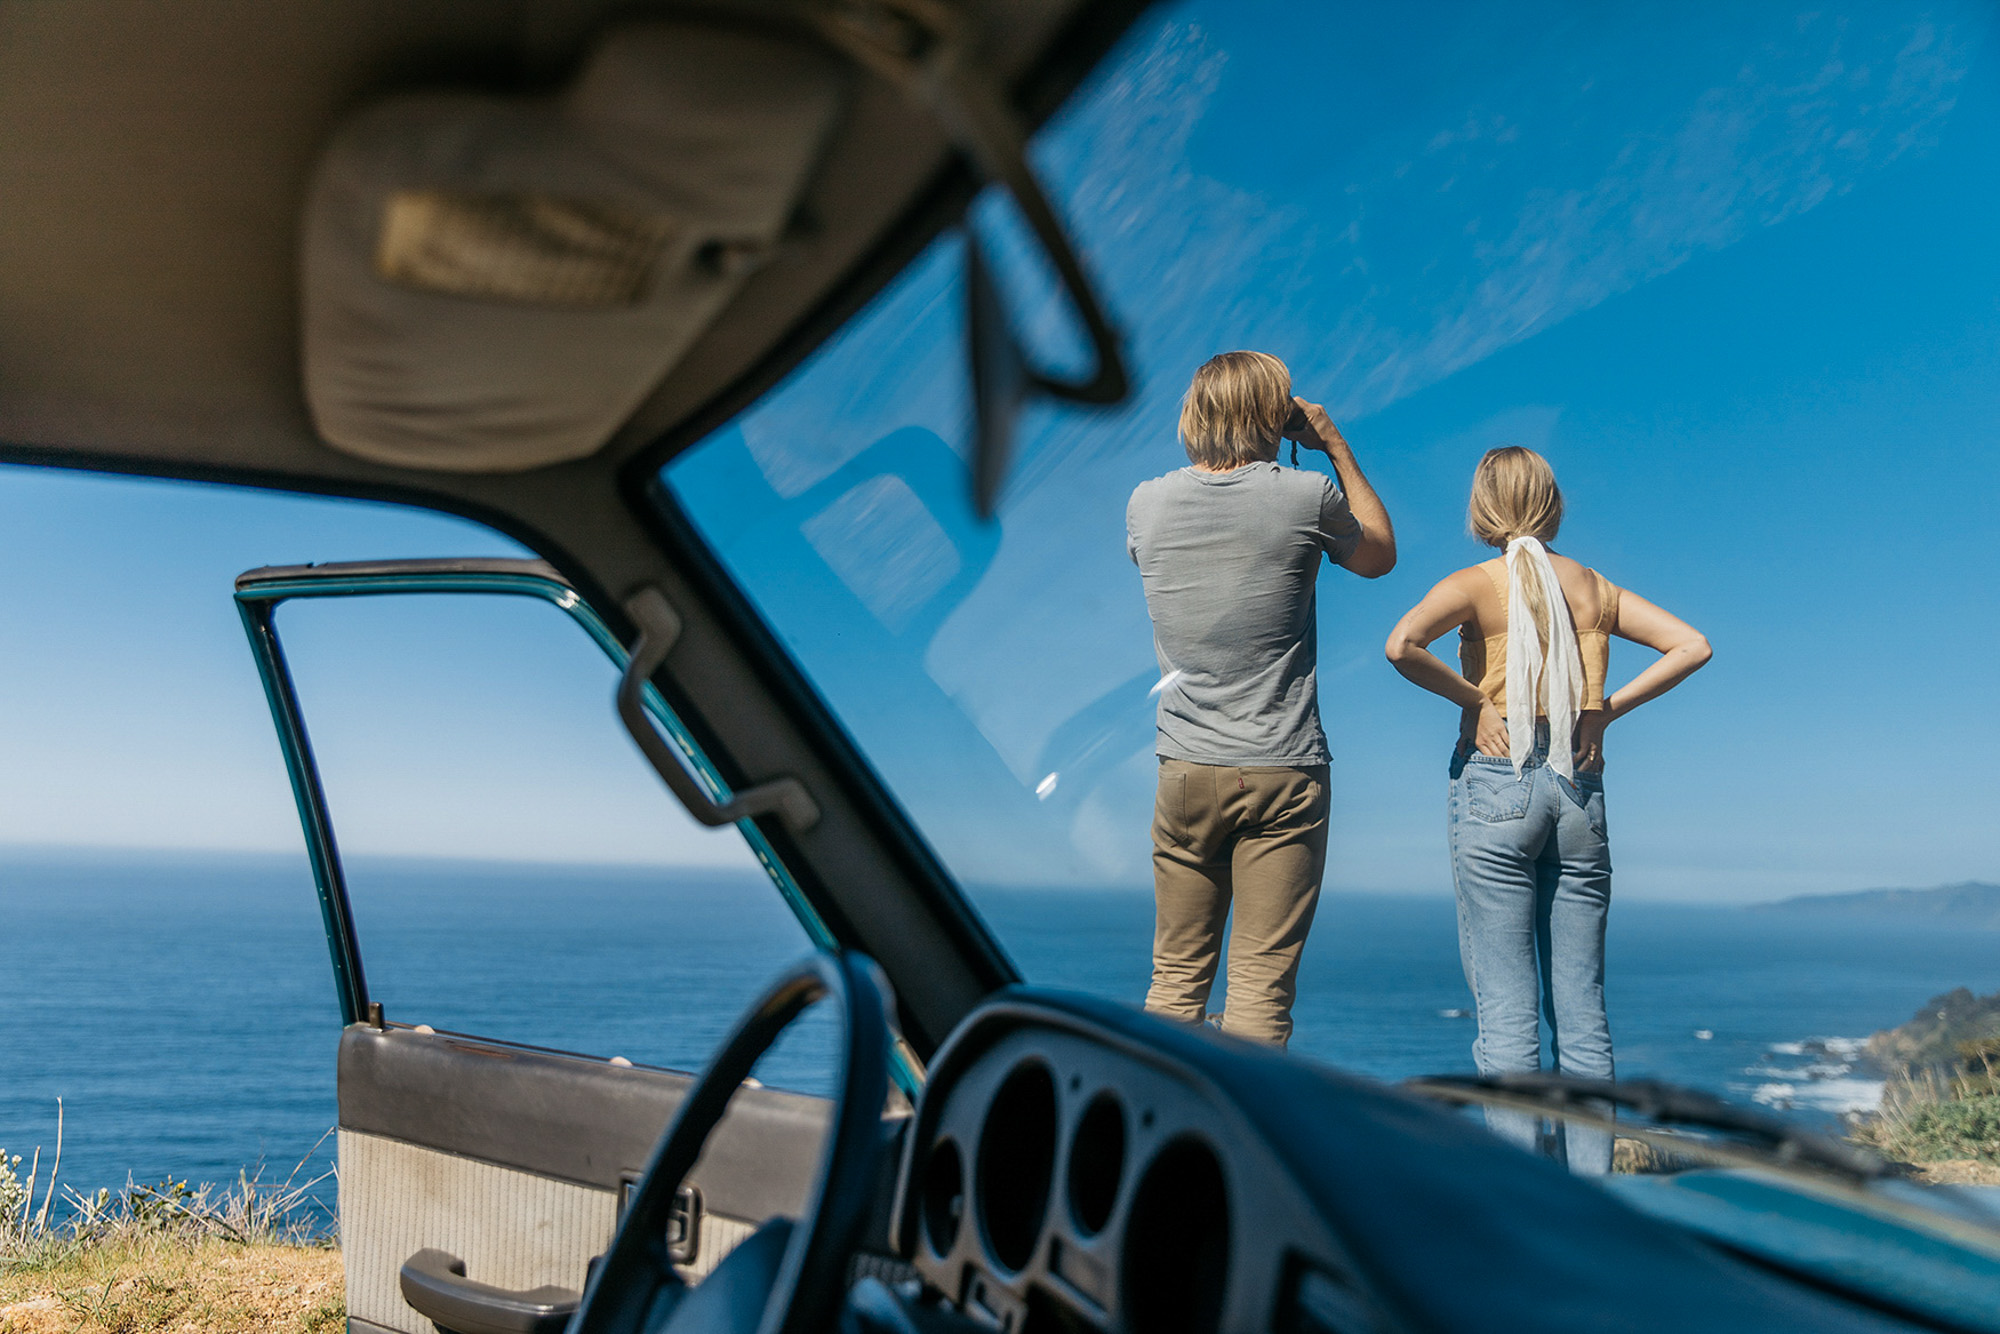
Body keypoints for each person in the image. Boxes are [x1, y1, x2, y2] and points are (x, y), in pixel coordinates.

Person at [1383, 446, 1711, 1171]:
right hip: (1579, 789)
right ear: (1552, 504)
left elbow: (1401, 645)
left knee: (1507, 1016)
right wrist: (1601, 712)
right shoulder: (1592, 586)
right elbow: (1692, 646)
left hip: (1497, 784)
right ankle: (1591, 1194)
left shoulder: (1475, 584)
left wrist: (1475, 701)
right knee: (1583, 1013)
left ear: (1482, 509)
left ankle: (1522, 1193)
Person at [1126, 351, 1396, 1046]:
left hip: (1184, 767)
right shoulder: (1305, 497)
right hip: (1284, 767)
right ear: (1274, 414)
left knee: (1176, 978)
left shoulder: (1145, 502)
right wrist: (1332, 444)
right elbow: (1378, 555)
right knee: (1261, 991)